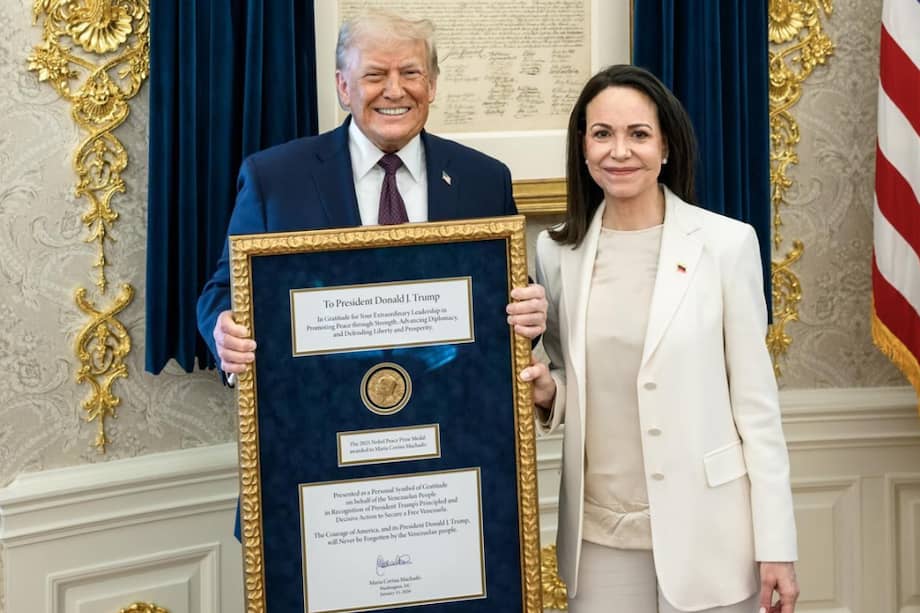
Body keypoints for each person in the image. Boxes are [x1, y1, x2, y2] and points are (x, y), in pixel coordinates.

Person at [519, 65, 799, 613]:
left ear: (666, 146)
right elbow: (574, 380)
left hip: (710, 531)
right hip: (598, 535)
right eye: (602, 134)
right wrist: (549, 394)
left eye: (638, 134)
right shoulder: (554, 252)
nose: (618, 151)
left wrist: (777, 546)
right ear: (582, 147)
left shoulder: (725, 245)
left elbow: (757, 409)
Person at [197, 10, 547, 373]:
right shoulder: (274, 179)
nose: (395, 90)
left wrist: (530, 314)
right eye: (375, 75)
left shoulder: (484, 179)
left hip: (451, 408)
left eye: (410, 73)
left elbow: (507, 298)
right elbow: (223, 292)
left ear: (432, 85)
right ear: (344, 87)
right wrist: (224, 331)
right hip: (320, 409)